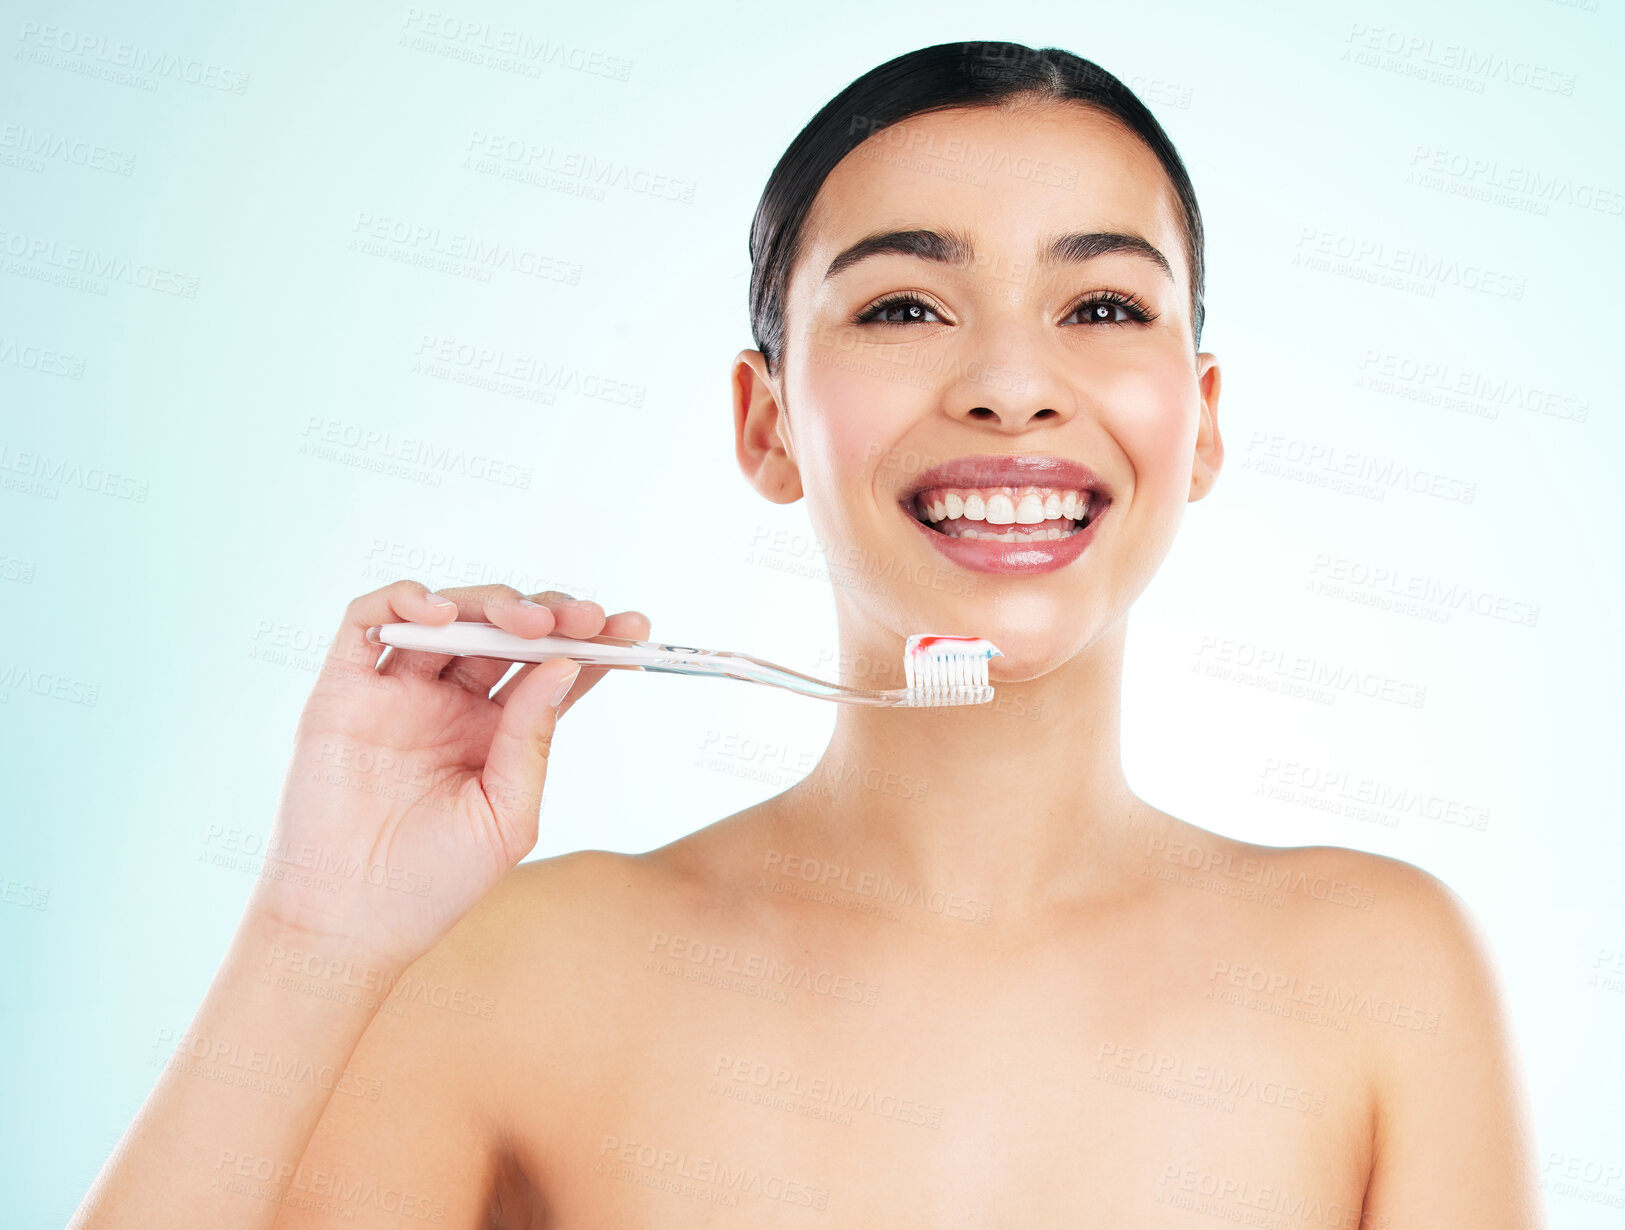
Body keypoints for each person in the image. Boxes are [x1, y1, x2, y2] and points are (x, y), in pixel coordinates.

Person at [71, 41, 1545, 1228]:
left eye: (1100, 302)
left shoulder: (1376, 976)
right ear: (763, 422)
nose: (1013, 383)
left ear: (1202, 422)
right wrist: (315, 932)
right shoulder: (533, 967)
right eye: (905, 303)